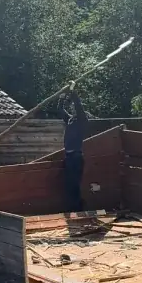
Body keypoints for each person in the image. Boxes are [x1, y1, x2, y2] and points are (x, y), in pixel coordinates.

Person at [53, 82, 87, 212]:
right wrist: (62, 96)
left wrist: (73, 92)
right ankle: (73, 208)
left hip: (76, 156)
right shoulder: (71, 120)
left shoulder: (82, 120)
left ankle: (78, 208)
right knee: (69, 184)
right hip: (69, 157)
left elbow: (79, 106)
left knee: (75, 184)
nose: (73, 109)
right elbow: (60, 110)